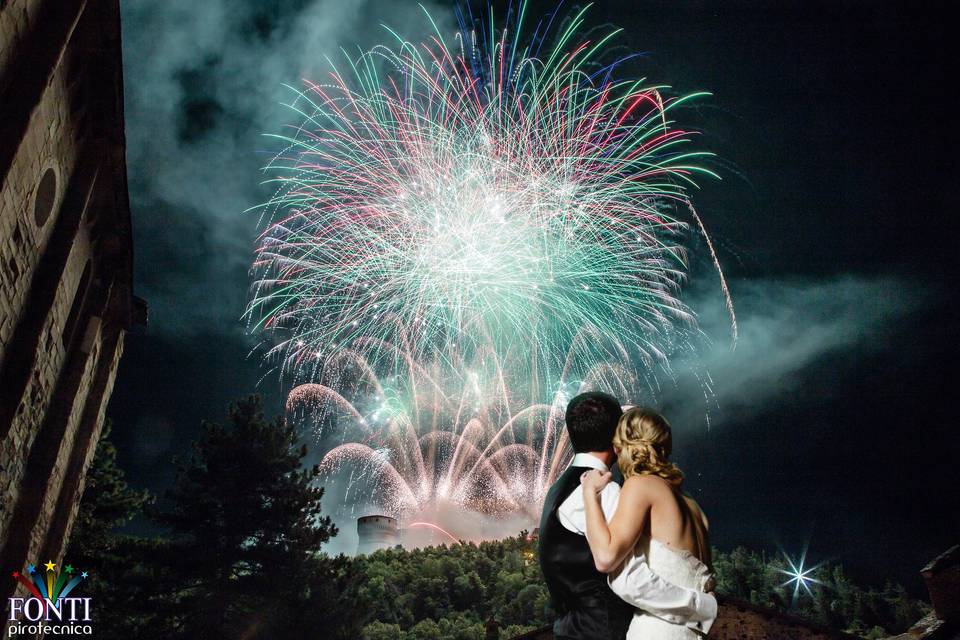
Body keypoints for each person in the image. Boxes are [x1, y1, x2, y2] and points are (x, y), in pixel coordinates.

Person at [539, 393, 717, 639]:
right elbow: (629, 577)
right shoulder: (686, 503)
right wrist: (703, 607)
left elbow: (618, 572)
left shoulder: (558, 489)